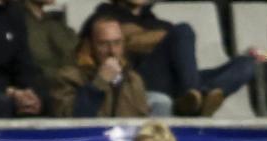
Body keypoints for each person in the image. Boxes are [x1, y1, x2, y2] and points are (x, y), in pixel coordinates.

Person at [89, 0, 254, 117]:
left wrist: (160, 38)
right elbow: (127, 41)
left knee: (246, 64)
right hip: (136, 82)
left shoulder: (156, 21)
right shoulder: (104, 15)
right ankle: (195, 99)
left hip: (175, 81)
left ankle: (196, 98)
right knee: (184, 30)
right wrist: (167, 38)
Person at [51, 15, 149, 118]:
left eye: (117, 43)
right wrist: (99, 83)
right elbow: (71, 120)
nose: (112, 51)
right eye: (103, 44)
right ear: (89, 45)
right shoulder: (68, 78)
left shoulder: (133, 80)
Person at [22, 0, 77, 96]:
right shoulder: (17, 18)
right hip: (42, 90)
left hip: (69, 86)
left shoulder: (55, 19)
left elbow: (75, 51)